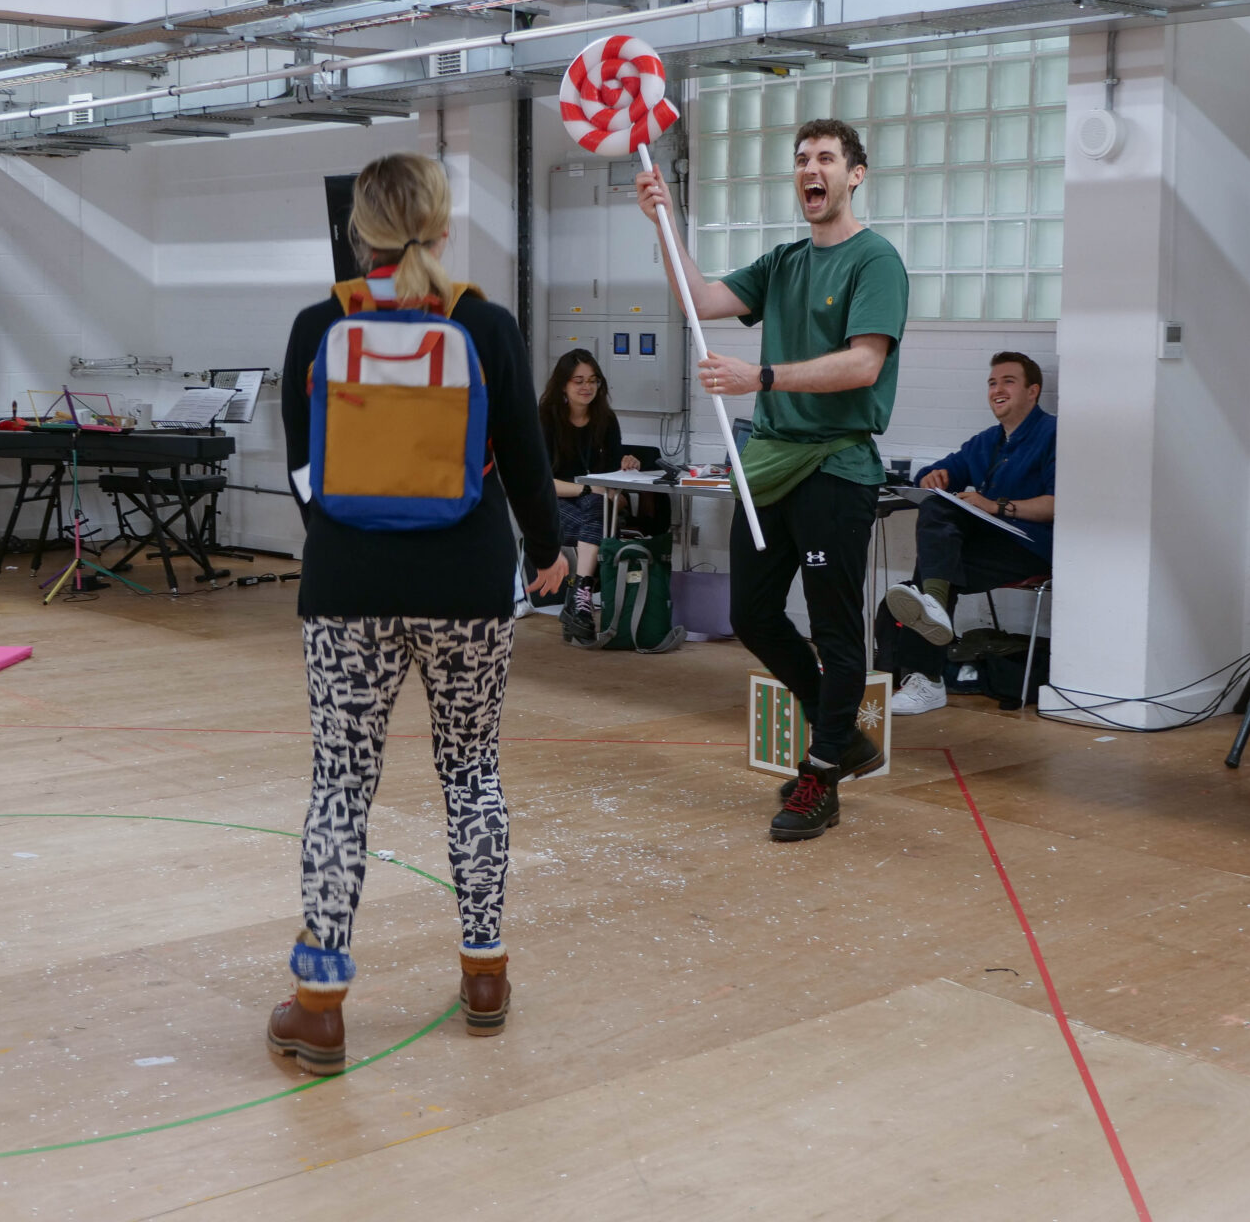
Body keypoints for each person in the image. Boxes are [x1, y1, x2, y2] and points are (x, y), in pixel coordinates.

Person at [271, 152, 568, 1075]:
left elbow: (301, 468)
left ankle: (320, 1006)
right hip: (468, 584)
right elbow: (524, 453)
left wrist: (340, 539)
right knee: (471, 770)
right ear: (443, 229)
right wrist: (551, 549)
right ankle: (484, 974)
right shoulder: (485, 324)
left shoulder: (321, 324)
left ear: (360, 232)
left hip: (349, 589)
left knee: (341, 786)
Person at [637, 118, 907, 843]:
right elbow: (697, 297)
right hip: (771, 463)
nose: (810, 169)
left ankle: (822, 773)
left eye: (825, 158)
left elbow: (863, 365)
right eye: (801, 160)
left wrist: (757, 375)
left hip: (836, 468)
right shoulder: (783, 262)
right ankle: (839, 731)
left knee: (834, 628)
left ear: (856, 174)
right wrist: (664, 219)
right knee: (753, 614)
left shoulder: (876, 261)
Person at [882, 352, 1056, 715]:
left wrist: (999, 506)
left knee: (917, 588)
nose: (997, 389)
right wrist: (934, 476)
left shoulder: (1053, 434)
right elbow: (940, 471)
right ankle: (900, 667)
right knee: (935, 506)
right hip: (988, 544)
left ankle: (925, 678)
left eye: (1008, 381)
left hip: (1029, 547)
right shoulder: (988, 441)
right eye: (992, 382)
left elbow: (1061, 503)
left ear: (1033, 391)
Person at [538, 348, 641, 641]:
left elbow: (610, 485)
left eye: (593, 380)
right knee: (596, 510)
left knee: (596, 508)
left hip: (595, 509)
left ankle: (579, 599)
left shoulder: (605, 421)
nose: (587, 387)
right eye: (578, 381)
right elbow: (540, 483)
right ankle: (581, 599)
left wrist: (626, 469)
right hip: (552, 506)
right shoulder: (545, 419)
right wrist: (588, 488)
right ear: (563, 386)